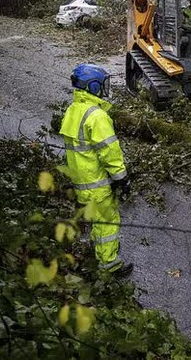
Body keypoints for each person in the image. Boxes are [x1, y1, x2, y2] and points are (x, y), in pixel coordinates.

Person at [60, 64, 133, 277]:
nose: (104, 89)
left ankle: (99, 249)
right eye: (102, 85)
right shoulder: (97, 116)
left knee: (96, 219)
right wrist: (121, 178)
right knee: (108, 221)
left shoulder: (73, 110)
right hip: (98, 182)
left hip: (82, 182)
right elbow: (109, 153)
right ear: (92, 86)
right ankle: (110, 264)